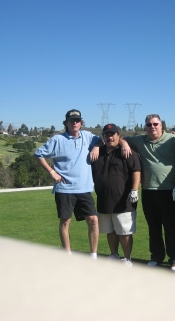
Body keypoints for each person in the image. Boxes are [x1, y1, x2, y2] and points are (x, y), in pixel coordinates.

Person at [34, 109, 102, 259]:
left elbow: (101, 140)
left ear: (81, 123)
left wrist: (96, 146)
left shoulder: (88, 136)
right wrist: (52, 172)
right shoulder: (57, 140)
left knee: (94, 221)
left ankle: (93, 255)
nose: (75, 123)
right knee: (65, 222)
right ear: (66, 123)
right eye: (72, 120)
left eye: (77, 120)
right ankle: (67, 255)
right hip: (64, 189)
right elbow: (38, 154)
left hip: (84, 188)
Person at [121, 114, 175, 271]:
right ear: (145, 127)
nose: (153, 127)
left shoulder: (173, 140)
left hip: (170, 191)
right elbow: (121, 137)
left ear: (161, 125)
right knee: (154, 227)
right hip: (149, 191)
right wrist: (124, 144)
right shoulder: (141, 140)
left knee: (171, 227)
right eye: (149, 125)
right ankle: (156, 256)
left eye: (155, 124)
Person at [91, 124, 141, 267]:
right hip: (104, 200)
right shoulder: (97, 152)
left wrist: (134, 189)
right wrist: (96, 146)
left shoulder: (127, 152)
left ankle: (127, 258)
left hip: (124, 201)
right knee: (110, 230)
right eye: (107, 134)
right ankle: (114, 254)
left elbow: (136, 170)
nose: (110, 137)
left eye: (113, 134)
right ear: (103, 137)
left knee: (124, 232)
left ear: (118, 136)